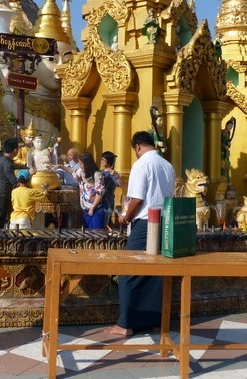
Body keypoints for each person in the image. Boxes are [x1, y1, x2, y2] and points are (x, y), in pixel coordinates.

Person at [106, 131, 176, 336]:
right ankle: (154, 321)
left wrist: (125, 217)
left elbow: (136, 199)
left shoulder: (141, 164)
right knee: (156, 272)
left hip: (146, 222)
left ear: (137, 147)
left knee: (128, 270)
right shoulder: (167, 165)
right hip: (165, 221)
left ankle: (126, 323)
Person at [0, 137, 31, 229]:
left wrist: (22, 166)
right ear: (15, 150)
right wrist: (26, 178)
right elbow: (13, 180)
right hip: (1, 196)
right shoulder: (6, 162)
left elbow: (11, 165)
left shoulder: (2, 157)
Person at [74, 152, 106, 229]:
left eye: (81, 164)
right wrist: (61, 166)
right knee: (87, 234)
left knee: (96, 233)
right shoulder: (81, 172)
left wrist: (92, 207)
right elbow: (72, 173)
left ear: (87, 164)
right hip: (85, 209)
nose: (80, 166)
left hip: (96, 209)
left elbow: (100, 193)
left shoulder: (97, 174)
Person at [100, 151, 121, 226]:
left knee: (106, 222)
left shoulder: (113, 173)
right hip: (99, 200)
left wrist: (116, 176)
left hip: (108, 201)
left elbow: (120, 184)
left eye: (103, 160)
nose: (101, 161)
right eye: (101, 159)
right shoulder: (99, 172)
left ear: (108, 161)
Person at [221, 117, 236, 185]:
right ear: (226, 125)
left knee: (227, 167)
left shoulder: (228, 133)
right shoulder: (222, 132)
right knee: (222, 166)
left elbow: (228, 142)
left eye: (232, 126)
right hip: (221, 152)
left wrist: (229, 145)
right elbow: (218, 142)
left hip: (226, 153)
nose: (230, 128)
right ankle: (222, 180)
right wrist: (224, 146)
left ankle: (227, 182)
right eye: (230, 126)